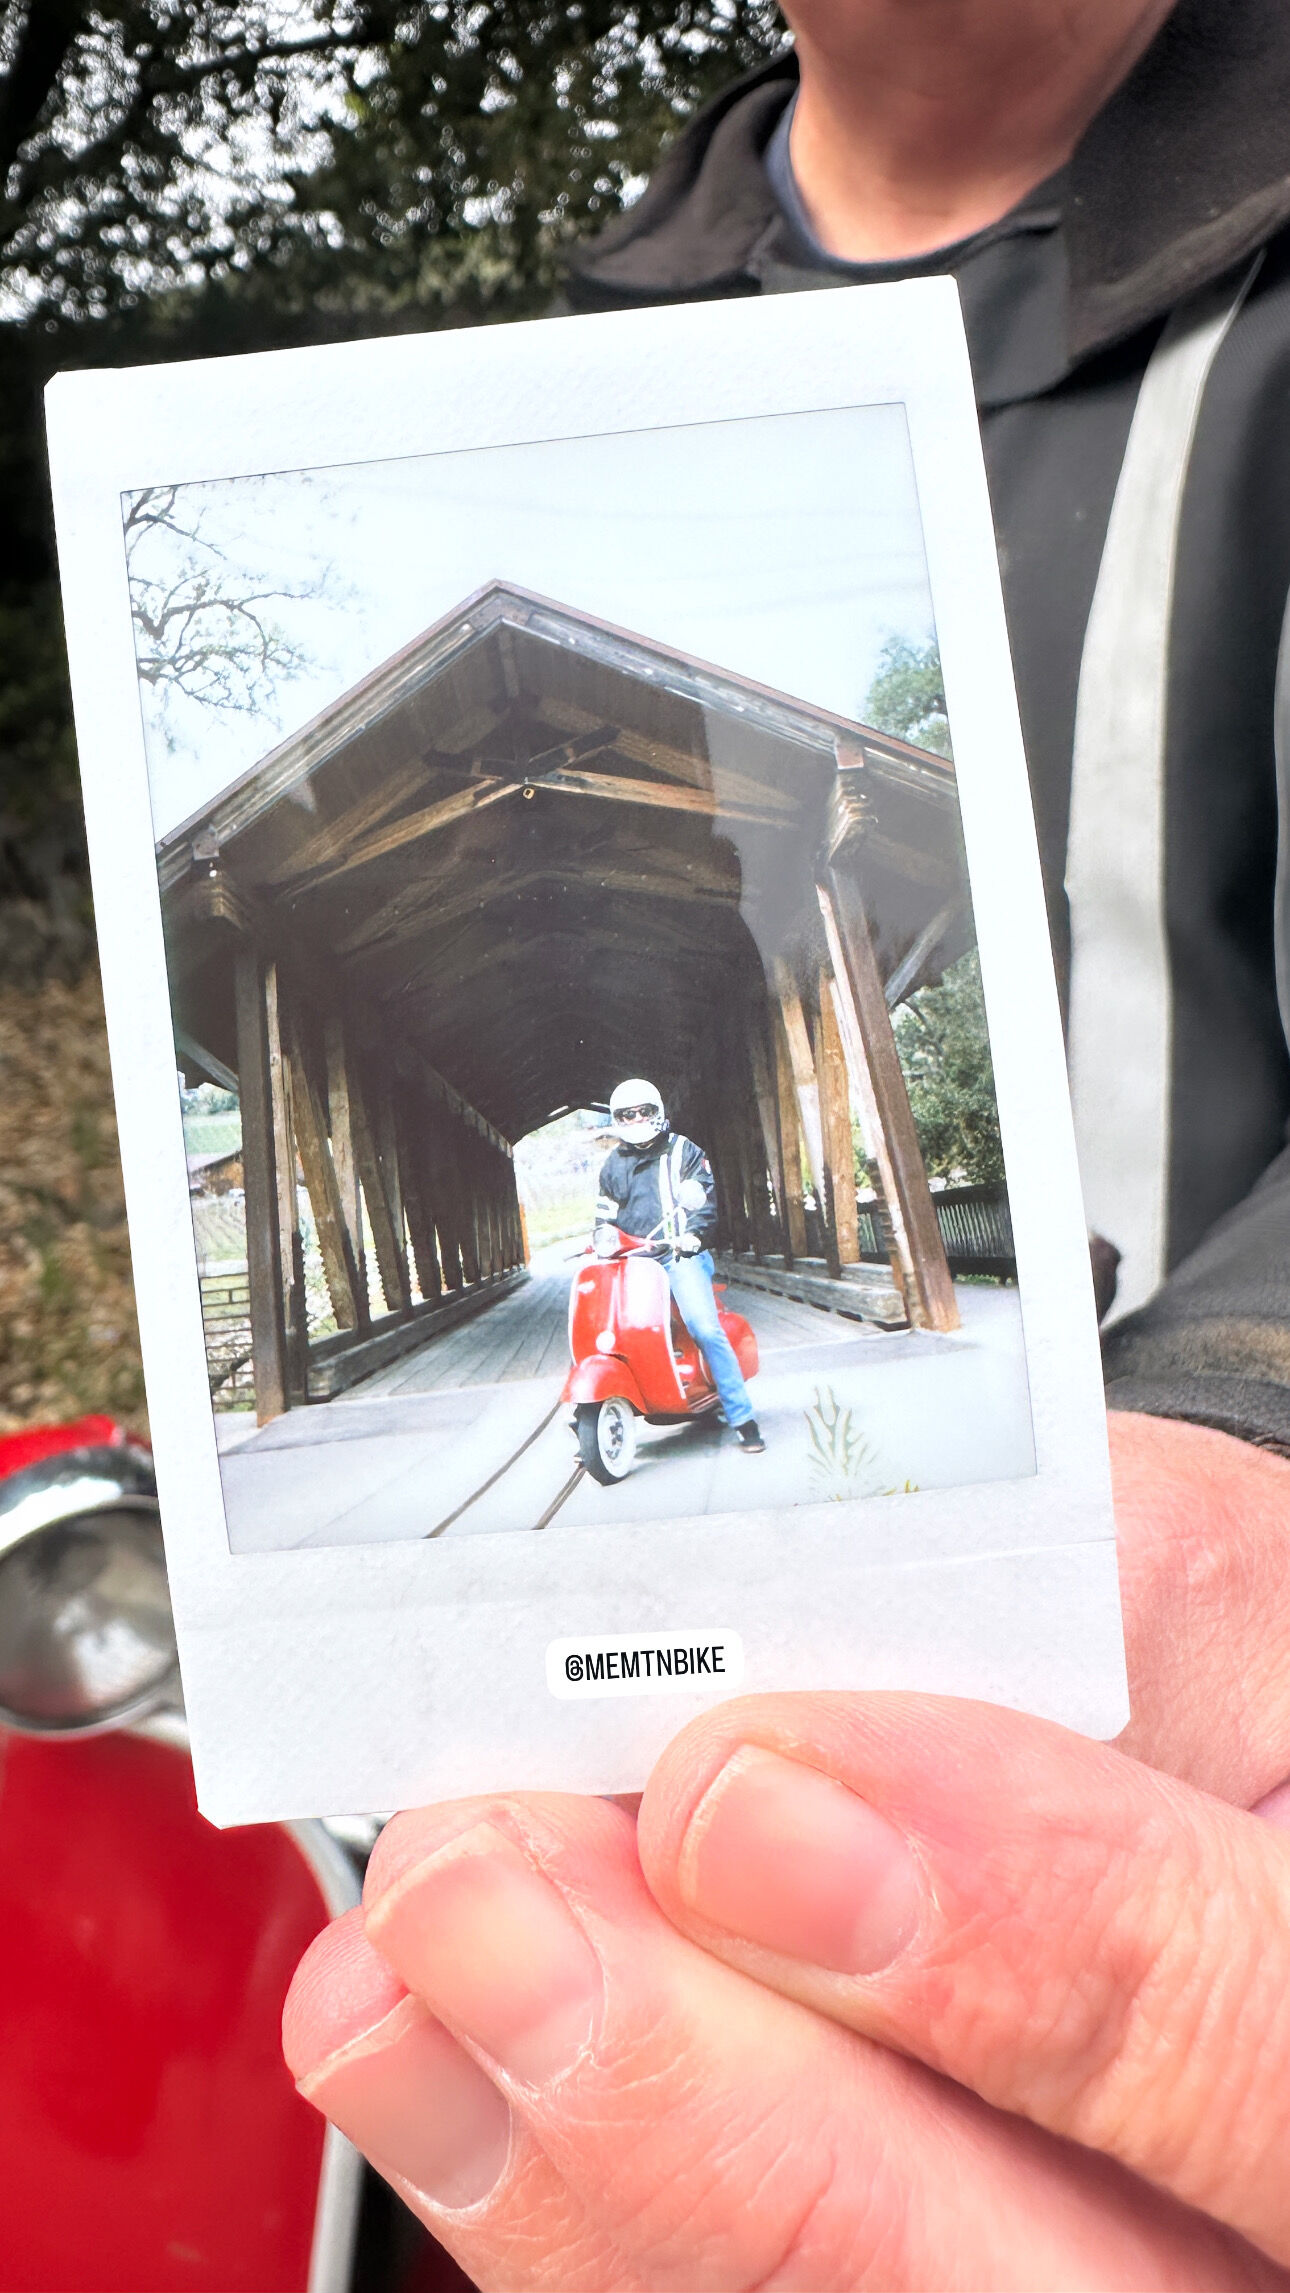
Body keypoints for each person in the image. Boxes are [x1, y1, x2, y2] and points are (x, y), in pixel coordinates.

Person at [282, 6, 1290, 2285]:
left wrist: (1245, 1427)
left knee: (713, 1346)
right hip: (585, 1934)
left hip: (1184, 1777)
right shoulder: (578, 355)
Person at [595, 1078, 764, 1454]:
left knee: (704, 1328)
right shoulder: (612, 1166)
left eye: (644, 1111)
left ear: (657, 1112)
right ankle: (594, 1416)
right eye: (627, 1114)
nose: (636, 1119)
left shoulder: (684, 1150)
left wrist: (693, 1237)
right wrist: (602, 1240)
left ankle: (743, 1418)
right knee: (610, 1335)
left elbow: (703, 1200)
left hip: (678, 1256)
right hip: (635, 1265)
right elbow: (604, 1216)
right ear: (617, 1119)